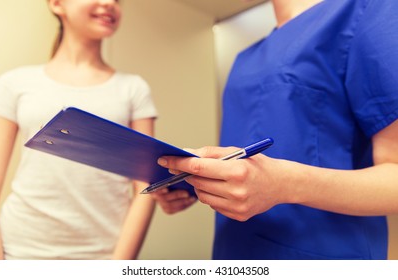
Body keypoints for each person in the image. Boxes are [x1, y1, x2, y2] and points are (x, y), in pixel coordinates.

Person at [152, 0, 398, 259]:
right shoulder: (245, 58)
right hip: (234, 251)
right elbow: (250, 165)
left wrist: (285, 184)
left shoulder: (367, 10)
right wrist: (194, 183)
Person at [0, 0, 157, 260]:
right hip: (20, 251)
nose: (109, 4)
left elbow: (146, 189)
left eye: (117, 0)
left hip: (103, 256)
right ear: (57, 4)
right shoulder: (13, 83)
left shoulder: (134, 88)